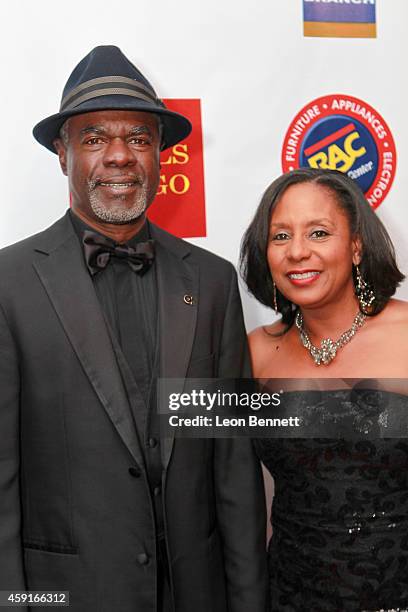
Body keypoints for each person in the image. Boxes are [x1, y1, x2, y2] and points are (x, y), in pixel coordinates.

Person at [0, 46, 267, 612]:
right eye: (95, 138)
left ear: (161, 155)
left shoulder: (214, 282)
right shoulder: (8, 284)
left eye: (139, 139)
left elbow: (233, 469)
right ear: (61, 152)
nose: (120, 156)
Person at [241, 167, 408, 610]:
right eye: (280, 237)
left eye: (318, 232)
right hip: (291, 597)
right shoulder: (255, 354)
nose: (297, 252)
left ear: (356, 246)